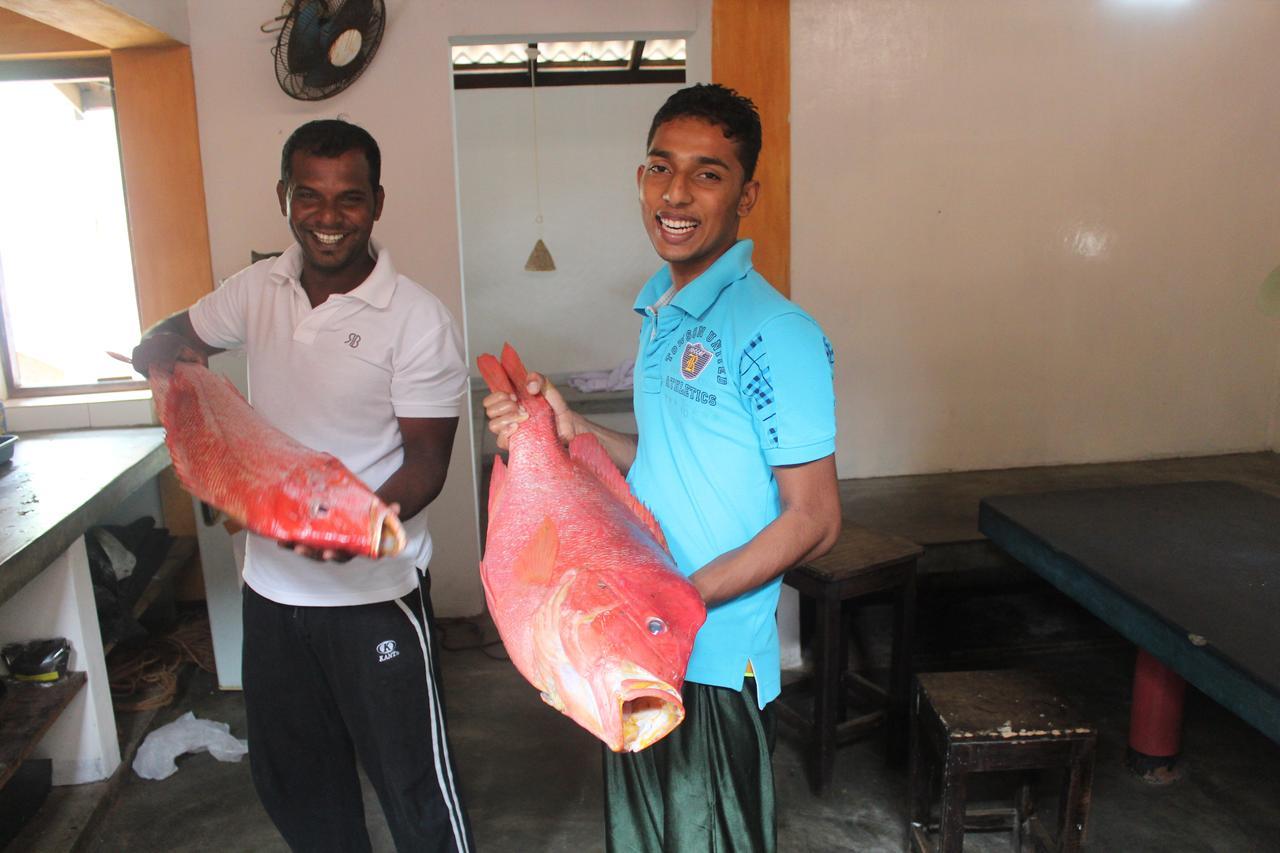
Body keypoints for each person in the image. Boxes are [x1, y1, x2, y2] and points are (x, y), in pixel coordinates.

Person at [484, 84, 842, 852]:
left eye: (706, 173)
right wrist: (571, 429)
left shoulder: (775, 330)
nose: (675, 193)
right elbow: (668, 460)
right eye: (659, 167)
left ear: (746, 194)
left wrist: (681, 597)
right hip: (636, 645)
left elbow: (814, 518)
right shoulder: (660, 308)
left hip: (711, 658)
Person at [131, 119, 474, 853]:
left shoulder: (417, 319)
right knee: (296, 781)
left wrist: (353, 526)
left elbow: (427, 462)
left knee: (415, 787)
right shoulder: (259, 288)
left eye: (349, 198)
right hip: (272, 593)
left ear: (377, 202)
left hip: (374, 597)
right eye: (309, 195)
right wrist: (165, 361)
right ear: (283, 195)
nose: (327, 216)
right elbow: (170, 335)